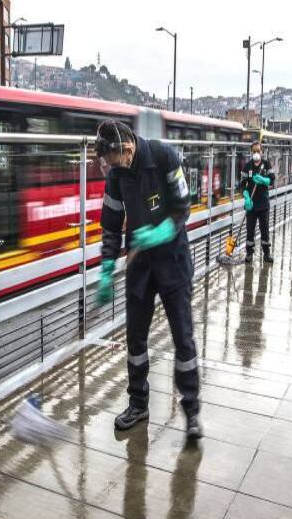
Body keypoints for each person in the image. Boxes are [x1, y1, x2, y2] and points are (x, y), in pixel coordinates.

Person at [94, 120, 202, 439]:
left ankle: (192, 411)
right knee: (135, 339)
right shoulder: (116, 174)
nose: (113, 169)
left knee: (183, 338)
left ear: (126, 149)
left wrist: (160, 232)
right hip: (140, 266)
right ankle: (138, 404)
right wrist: (105, 268)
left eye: (115, 161)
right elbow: (112, 226)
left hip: (173, 261)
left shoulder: (165, 157)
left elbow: (183, 208)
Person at [240, 141, 276, 263]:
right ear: (251, 152)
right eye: (254, 151)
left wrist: (263, 180)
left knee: (264, 229)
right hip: (251, 204)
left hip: (263, 204)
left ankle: (266, 253)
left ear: (262, 152)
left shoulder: (266, 165)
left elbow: (272, 180)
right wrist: (246, 196)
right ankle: (249, 253)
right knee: (250, 230)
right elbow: (242, 184)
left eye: (258, 151)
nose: (256, 153)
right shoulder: (247, 166)